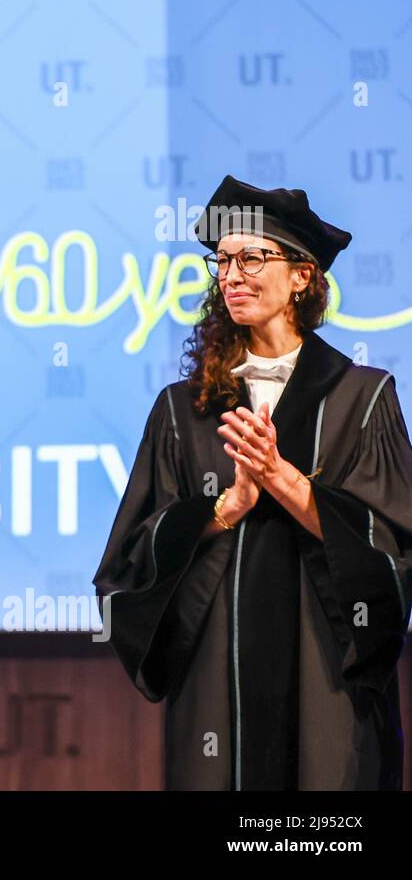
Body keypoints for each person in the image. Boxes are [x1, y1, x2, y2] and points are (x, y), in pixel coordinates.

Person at [95, 175, 412, 790]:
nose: (232, 274)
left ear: (302, 276)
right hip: (218, 697)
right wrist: (224, 507)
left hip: (329, 695)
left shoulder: (363, 400)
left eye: (252, 258)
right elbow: (126, 573)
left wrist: (285, 481)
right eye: (222, 262)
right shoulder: (183, 412)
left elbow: (394, 554)